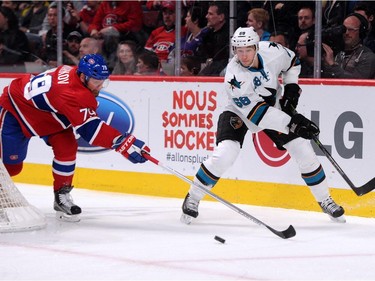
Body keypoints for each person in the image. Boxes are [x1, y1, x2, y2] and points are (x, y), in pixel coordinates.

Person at [180, 27, 346, 225]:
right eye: (238, 50)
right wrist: (293, 123)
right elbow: (258, 115)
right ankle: (193, 196)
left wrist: (291, 86)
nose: (243, 55)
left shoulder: (273, 51)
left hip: (271, 107)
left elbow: (293, 61)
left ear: (257, 47)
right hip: (239, 112)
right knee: (225, 154)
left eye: (248, 50)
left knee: (303, 149)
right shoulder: (235, 78)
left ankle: (324, 199)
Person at [0, 54, 151, 222]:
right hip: (17, 112)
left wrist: (121, 140)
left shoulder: (75, 76)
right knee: (11, 169)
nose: (100, 86)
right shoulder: (71, 93)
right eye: (95, 81)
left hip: (50, 115)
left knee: (67, 147)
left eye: (103, 81)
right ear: (82, 76)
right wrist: (121, 142)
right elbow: (90, 130)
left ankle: (61, 196)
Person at [322, 13, 375, 79]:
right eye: (344, 29)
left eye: (351, 30)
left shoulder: (368, 56)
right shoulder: (338, 53)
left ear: (361, 32)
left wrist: (333, 65)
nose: (346, 33)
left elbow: (356, 83)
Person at [196, 1, 229, 76]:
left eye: (210, 14)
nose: (206, 16)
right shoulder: (207, 34)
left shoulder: (229, 35)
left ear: (221, 17)